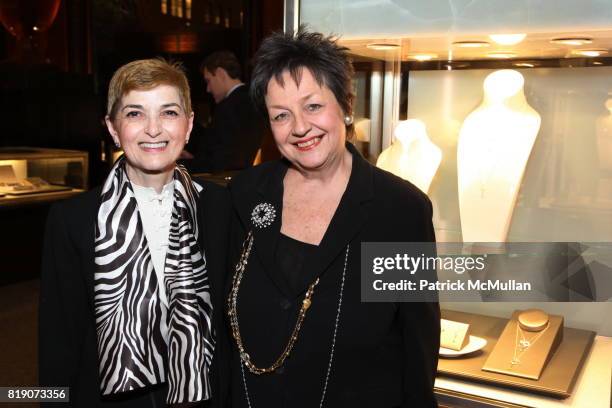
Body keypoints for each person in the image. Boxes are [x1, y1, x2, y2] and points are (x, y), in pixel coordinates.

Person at [226, 30, 440, 407]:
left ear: (346, 105)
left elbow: (416, 349)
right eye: (281, 115)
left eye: (312, 106)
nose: (300, 128)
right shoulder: (244, 194)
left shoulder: (399, 211)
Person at [39, 58, 230, 407]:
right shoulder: (72, 219)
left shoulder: (221, 207)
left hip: (202, 396)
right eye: (135, 114)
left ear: (188, 126)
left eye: (169, 113)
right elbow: (58, 341)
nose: (153, 129)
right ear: (113, 129)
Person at [184, 51, 265, 173]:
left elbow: (221, 163)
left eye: (208, 81)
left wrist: (180, 165)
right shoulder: (250, 100)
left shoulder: (230, 107)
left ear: (221, 74)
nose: (208, 89)